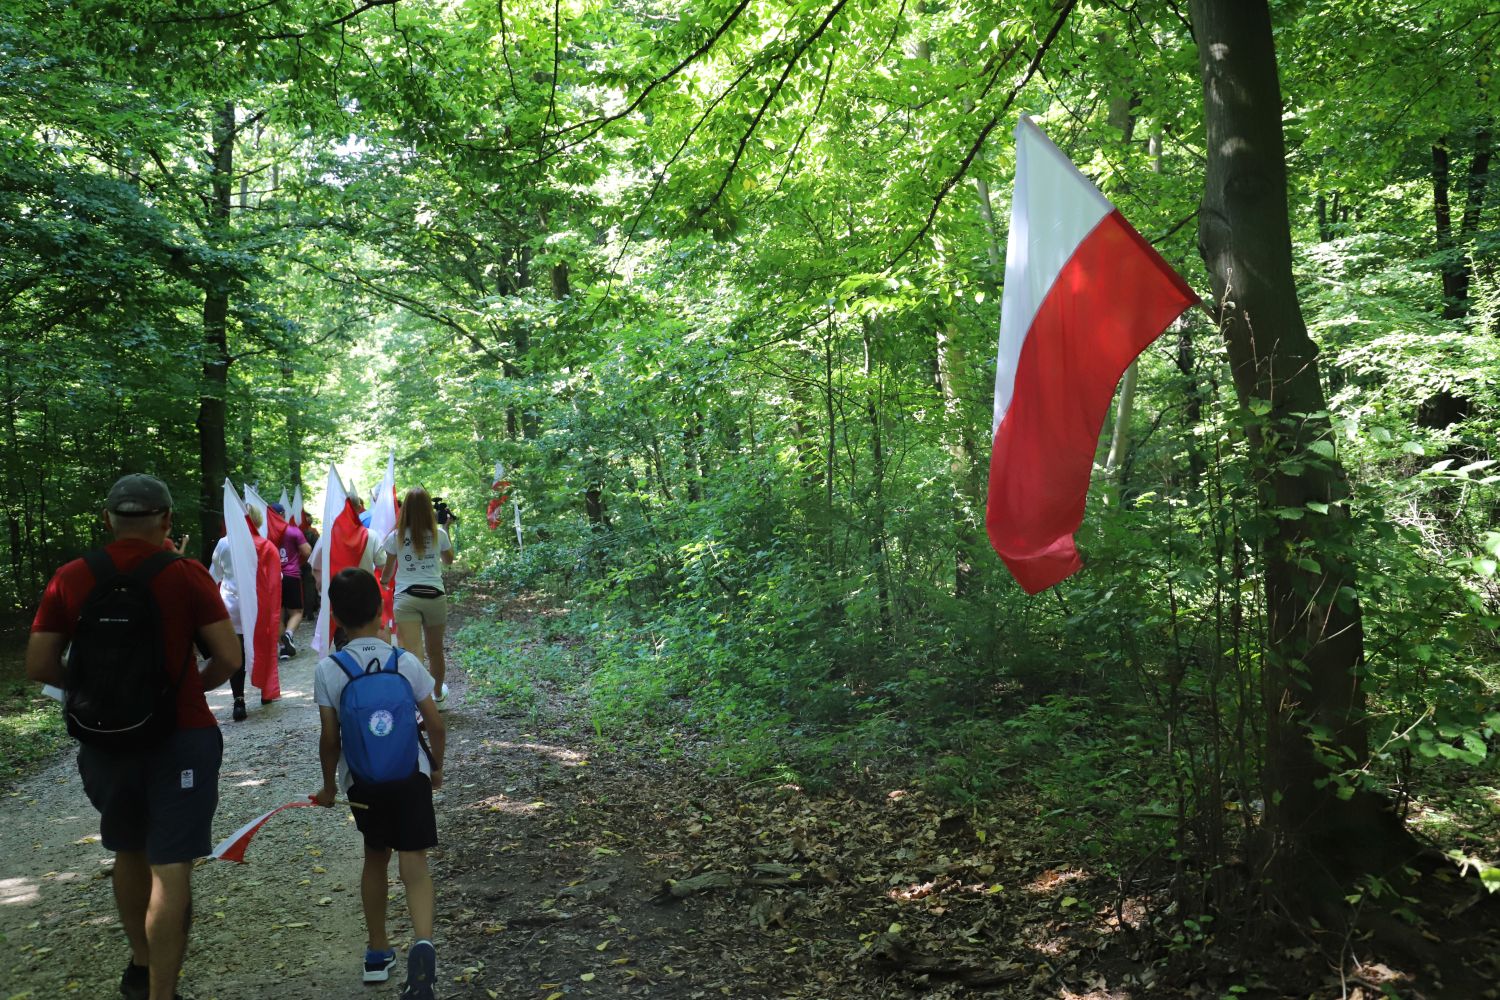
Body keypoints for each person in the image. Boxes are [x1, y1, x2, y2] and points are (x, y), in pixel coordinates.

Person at [25, 474, 241, 1000]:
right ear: (167, 521)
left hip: (104, 742)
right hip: (181, 736)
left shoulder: (71, 577)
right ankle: (163, 993)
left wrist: (96, 697)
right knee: (170, 865)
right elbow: (230, 659)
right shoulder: (187, 574)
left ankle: (141, 968)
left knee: (127, 849)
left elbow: (39, 665)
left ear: (107, 520)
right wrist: (182, 691)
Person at [313, 568, 445, 999]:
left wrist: (330, 786)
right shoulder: (404, 661)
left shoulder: (329, 670)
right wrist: (437, 767)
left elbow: (330, 739)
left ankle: (377, 951)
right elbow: (435, 723)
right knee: (414, 861)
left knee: (375, 857)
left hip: (364, 783)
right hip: (410, 775)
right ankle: (422, 948)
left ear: (336, 615)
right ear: (380, 609)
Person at [381, 487, 455, 709]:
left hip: (406, 598)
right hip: (435, 596)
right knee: (435, 650)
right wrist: (445, 527)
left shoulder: (396, 536)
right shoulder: (439, 534)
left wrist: (384, 582)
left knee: (414, 652)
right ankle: (437, 696)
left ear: (405, 510)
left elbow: (388, 569)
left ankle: (418, 703)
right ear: (427, 509)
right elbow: (449, 561)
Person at [268, 502, 312, 659]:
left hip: (272, 578)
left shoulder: (265, 533)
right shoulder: (293, 531)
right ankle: (289, 634)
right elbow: (307, 550)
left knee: (278, 614)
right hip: (291, 575)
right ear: (282, 515)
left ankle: (283, 650)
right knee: (297, 612)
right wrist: (297, 561)